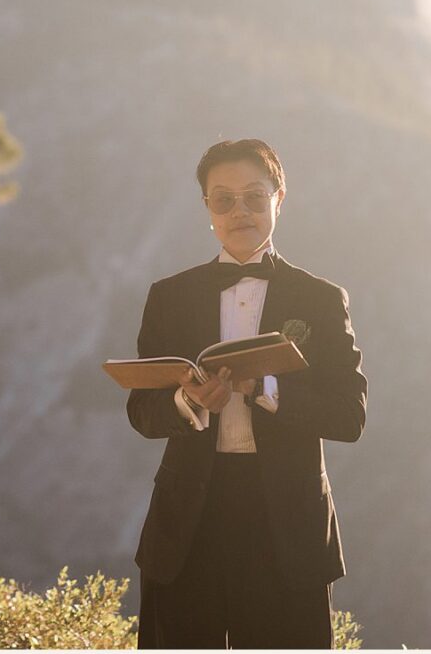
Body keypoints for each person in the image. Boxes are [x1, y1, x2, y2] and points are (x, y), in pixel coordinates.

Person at [128, 139, 367, 649]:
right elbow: (142, 414)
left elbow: (350, 416)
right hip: (188, 523)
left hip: (287, 523)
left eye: (255, 197)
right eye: (224, 200)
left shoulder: (321, 299)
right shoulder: (169, 296)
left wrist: (266, 389)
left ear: (280, 198)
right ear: (207, 209)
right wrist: (188, 401)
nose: (240, 211)